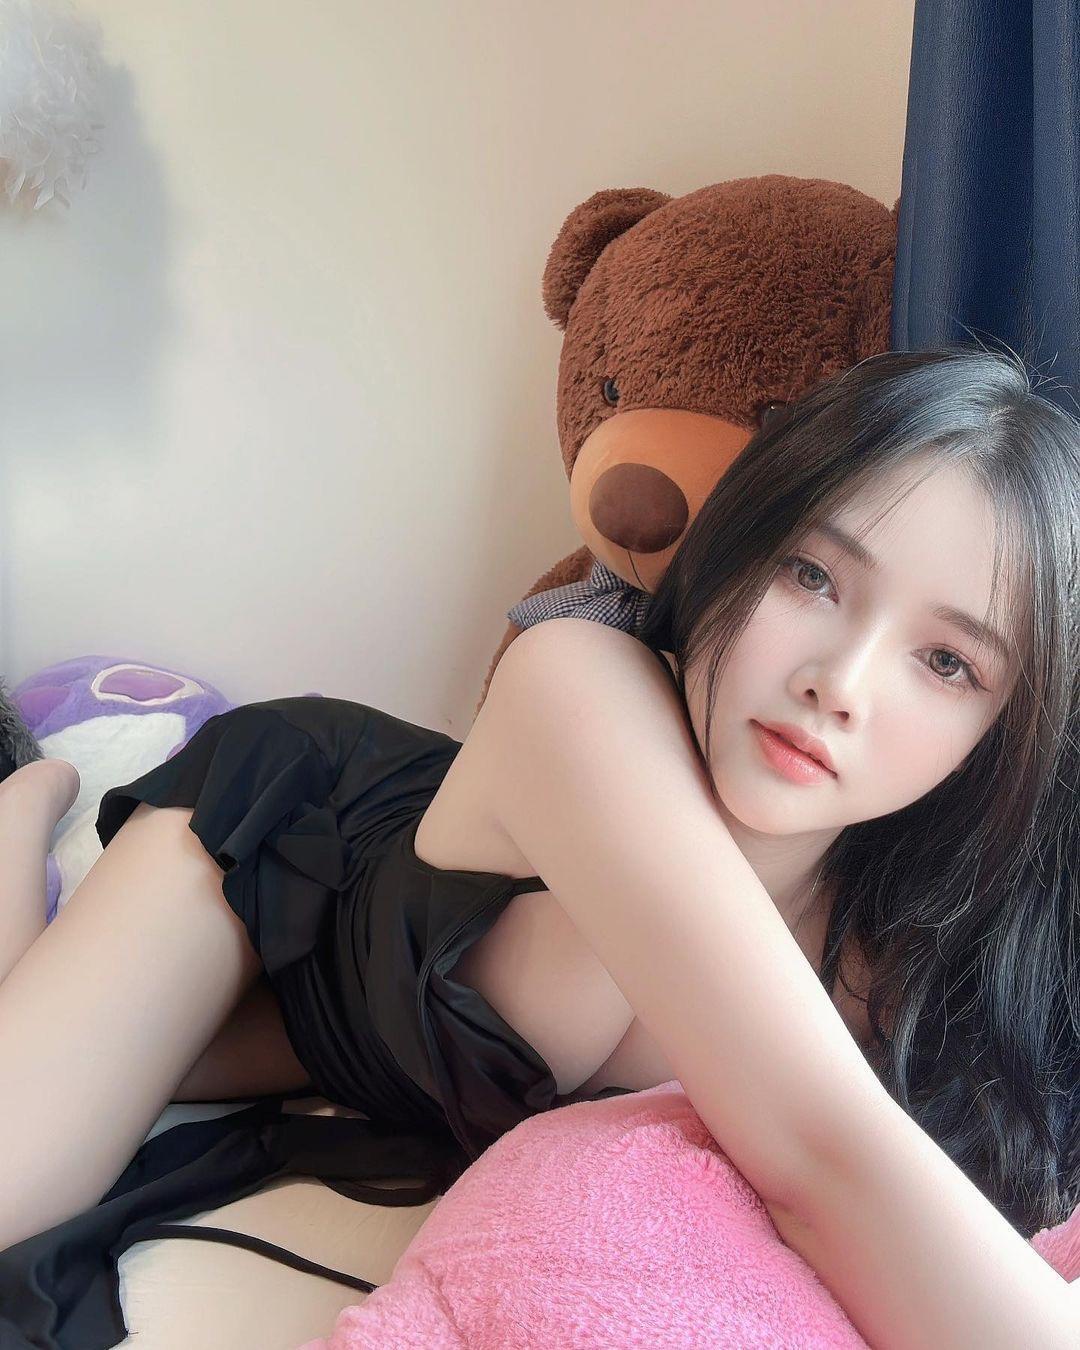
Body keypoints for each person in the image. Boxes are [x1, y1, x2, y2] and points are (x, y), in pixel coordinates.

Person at [0, 344, 1076, 1347]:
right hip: (292, 851)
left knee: (134, 1055)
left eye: (947, 663)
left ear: (1004, 731)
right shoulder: (577, 680)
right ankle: (24, 805)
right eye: (811, 575)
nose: (839, 684)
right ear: (742, 537)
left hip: (386, 1033)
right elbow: (818, 1152)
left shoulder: (926, 941)